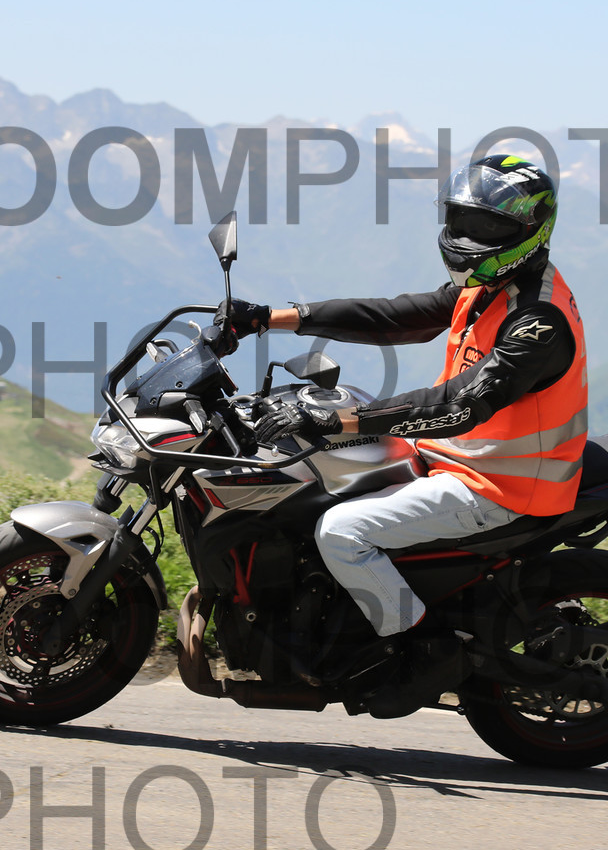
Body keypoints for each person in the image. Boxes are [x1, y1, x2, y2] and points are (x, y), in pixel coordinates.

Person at [214, 154, 589, 716]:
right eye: (460, 220)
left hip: (502, 484)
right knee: (321, 478)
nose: (466, 236)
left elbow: (458, 406)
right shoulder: (493, 286)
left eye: (485, 226)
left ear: (529, 230)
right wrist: (269, 317)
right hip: (458, 458)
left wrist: (336, 421)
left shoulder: (537, 320)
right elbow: (395, 316)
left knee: (343, 531)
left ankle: (422, 653)